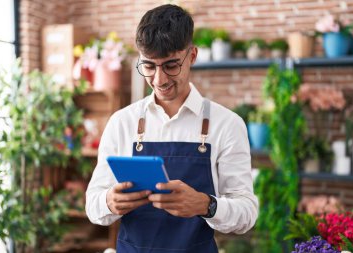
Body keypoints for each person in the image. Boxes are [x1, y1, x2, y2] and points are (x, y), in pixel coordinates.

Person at [86, 4, 258, 253]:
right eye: (149, 66)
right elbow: (93, 206)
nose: (159, 80)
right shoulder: (122, 123)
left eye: (171, 65)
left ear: (192, 56)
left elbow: (246, 213)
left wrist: (205, 205)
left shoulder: (227, 125)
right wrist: (109, 202)